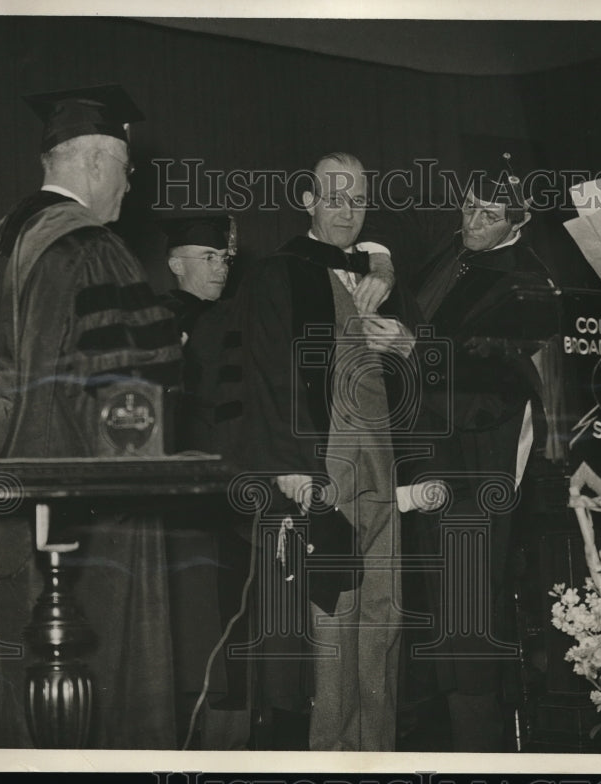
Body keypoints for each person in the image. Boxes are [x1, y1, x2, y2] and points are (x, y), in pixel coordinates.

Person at [0, 84, 183, 748]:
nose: (128, 181)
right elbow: (125, 410)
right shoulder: (90, 249)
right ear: (93, 160)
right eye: (124, 166)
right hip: (71, 536)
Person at [363, 153, 556, 752]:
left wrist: (413, 347)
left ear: (518, 220)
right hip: (426, 457)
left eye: (488, 212)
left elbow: (496, 386)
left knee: (469, 608)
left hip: (476, 466)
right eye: (468, 205)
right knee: (426, 606)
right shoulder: (454, 254)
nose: (471, 219)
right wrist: (384, 264)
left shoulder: (526, 283)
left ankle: (480, 750)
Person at [234, 152, 416, 751]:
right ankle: (332, 753)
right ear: (307, 200)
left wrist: (408, 342)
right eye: (332, 196)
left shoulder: (378, 275)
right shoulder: (281, 272)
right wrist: (289, 463)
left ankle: (378, 752)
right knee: (333, 608)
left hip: (383, 453)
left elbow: (427, 360)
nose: (346, 210)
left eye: (358, 198)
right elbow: (264, 370)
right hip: (327, 452)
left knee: (384, 607)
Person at [156, 212, 255, 750]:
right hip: (186, 498)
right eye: (209, 257)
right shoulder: (162, 318)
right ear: (176, 264)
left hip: (233, 494)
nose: (221, 268)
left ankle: (231, 747)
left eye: (225, 258)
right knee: (198, 627)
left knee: (232, 625)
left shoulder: (230, 318)